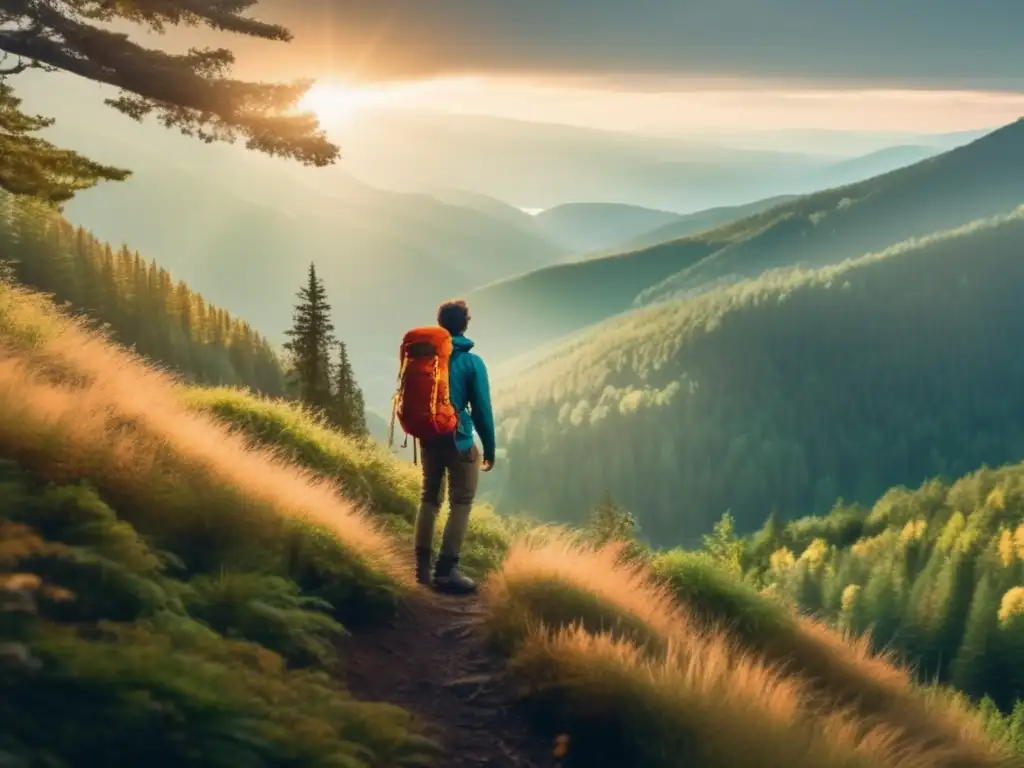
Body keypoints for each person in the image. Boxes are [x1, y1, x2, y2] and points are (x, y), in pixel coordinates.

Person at [414, 299, 495, 594]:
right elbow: (482, 410)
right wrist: (489, 448)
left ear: (440, 324)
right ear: (465, 324)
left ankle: (421, 568)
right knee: (461, 501)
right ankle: (447, 570)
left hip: (427, 434)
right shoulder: (472, 362)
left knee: (429, 498)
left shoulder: (424, 355)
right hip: (458, 439)